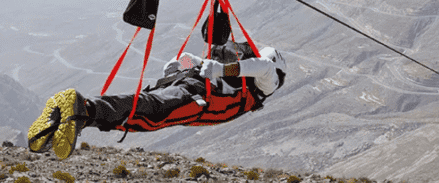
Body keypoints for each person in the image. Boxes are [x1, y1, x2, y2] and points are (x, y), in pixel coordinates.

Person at [27, 11, 287, 160]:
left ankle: (71, 117)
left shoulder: (253, 74)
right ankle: (82, 109)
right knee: (148, 113)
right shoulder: (264, 82)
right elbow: (258, 66)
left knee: (144, 108)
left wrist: (190, 63)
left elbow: (237, 66)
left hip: (194, 91)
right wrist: (195, 63)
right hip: (197, 99)